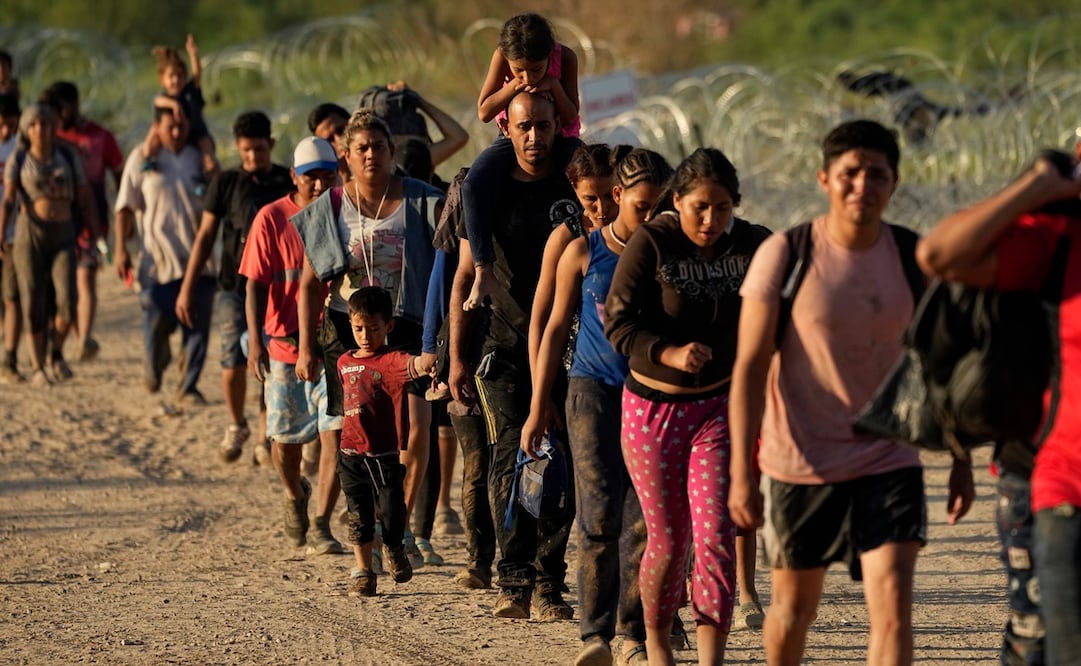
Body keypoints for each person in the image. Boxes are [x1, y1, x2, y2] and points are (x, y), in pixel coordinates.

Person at [728, 119, 975, 666]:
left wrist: (961, 460)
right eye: (850, 173)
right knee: (794, 611)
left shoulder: (914, 259)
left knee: (892, 607)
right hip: (801, 461)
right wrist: (743, 475)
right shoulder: (787, 255)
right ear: (824, 178)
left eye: (877, 174)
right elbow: (748, 367)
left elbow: (940, 368)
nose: (862, 185)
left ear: (895, 183)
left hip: (888, 457)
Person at [603, 147, 770, 665]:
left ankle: (711, 660)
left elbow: (795, 290)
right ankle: (656, 646)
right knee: (671, 541)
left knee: (717, 537)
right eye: (700, 206)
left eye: (723, 208)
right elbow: (618, 322)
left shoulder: (753, 244)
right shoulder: (653, 242)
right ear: (677, 201)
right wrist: (669, 351)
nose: (711, 220)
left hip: (718, 411)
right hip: (653, 412)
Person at [915, 150, 1081, 664]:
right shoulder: (1059, 235)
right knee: (1044, 644)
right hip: (1063, 482)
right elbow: (942, 255)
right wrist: (1038, 187)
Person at [522, 146, 672, 665]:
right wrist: (539, 403)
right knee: (599, 512)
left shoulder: (671, 257)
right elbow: (556, 327)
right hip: (591, 392)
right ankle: (596, 636)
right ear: (617, 197)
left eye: (659, 206)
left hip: (652, 395)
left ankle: (633, 634)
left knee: (643, 520)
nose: (650, 217)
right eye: (641, 207)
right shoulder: (583, 252)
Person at [292, 109, 445, 570]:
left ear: (392, 151)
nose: (371, 155)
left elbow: (460, 234)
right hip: (348, 330)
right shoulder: (332, 208)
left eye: (379, 146)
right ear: (346, 156)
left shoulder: (420, 200)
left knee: (416, 432)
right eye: (361, 148)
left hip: (407, 326)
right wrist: (306, 347)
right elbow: (307, 285)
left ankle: (392, 527)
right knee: (354, 436)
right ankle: (360, 528)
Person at [448, 91, 580, 620]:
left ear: (557, 128)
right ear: (509, 129)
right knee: (512, 456)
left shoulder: (573, 186)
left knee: (561, 461)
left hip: (567, 349)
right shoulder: (486, 191)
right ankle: (514, 578)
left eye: (543, 126)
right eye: (524, 127)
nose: (534, 137)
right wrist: (455, 357)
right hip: (501, 346)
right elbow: (461, 279)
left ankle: (550, 582)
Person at [237, 136, 344, 555]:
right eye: (310, 177)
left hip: (332, 345)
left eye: (327, 176)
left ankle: (321, 522)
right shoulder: (270, 218)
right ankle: (294, 494)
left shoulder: (342, 213)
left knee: (334, 435)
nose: (318, 185)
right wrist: (255, 342)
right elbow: (253, 285)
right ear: (294, 177)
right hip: (283, 345)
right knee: (283, 443)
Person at [175, 111, 294, 464]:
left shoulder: (286, 181)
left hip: (276, 288)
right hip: (233, 286)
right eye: (245, 151)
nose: (253, 158)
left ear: (270, 144)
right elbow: (205, 235)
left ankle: (263, 432)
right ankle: (235, 423)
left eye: (259, 149)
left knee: (270, 360)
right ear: (237, 149)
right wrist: (188, 286)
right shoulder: (226, 183)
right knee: (232, 360)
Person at [461, 12, 581, 311]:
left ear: (548, 54)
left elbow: (570, 114)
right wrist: (512, 87)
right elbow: (485, 111)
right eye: (519, 71)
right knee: (473, 184)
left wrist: (552, 85)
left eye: (536, 69)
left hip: (559, 135)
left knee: (589, 174)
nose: (528, 77)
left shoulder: (565, 57)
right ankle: (483, 269)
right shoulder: (503, 55)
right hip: (513, 136)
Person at [114, 105, 214, 401]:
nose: (175, 132)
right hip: (157, 263)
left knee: (198, 324)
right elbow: (124, 207)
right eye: (169, 126)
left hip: (199, 260)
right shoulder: (143, 158)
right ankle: (155, 362)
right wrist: (120, 248)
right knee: (155, 312)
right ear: (156, 127)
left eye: (181, 126)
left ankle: (188, 386)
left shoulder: (200, 159)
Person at [336, 286, 430, 597]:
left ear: (388, 326)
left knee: (392, 508)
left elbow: (413, 365)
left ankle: (393, 546)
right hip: (350, 452)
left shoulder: (390, 360)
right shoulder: (343, 362)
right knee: (358, 513)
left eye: (373, 328)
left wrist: (430, 359)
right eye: (358, 328)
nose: (365, 336)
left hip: (384, 453)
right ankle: (363, 571)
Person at [0, 103, 100, 386]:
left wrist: (94, 233)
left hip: (63, 234)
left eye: (45, 124)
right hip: (29, 235)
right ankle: (36, 365)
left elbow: (83, 195)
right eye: (34, 125)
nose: (40, 130)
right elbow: (9, 199)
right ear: (26, 129)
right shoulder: (19, 159)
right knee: (32, 298)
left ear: (54, 127)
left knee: (68, 299)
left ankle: (55, 353)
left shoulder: (67, 156)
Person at [42, 81, 124, 362]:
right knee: (65, 283)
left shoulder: (99, 136)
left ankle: (84, 337)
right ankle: (76, 335)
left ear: (74, 105)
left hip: (93, 219)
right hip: (60, 221)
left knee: (85, 277)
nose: (58, 116)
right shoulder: (49, 141)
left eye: (61, 109)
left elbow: (118, 172)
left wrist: (124, 211)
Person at [144, 35, 217, 177]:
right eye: (171, 76)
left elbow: (197, 74)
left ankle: (205, 176)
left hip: (197, 132)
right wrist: (174, 105)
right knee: (153, 134)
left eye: (180, 75)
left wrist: (193, 55)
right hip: (172, 135)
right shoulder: (165, 98)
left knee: (207, 150)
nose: (176, 80)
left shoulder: (190, 92)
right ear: (162, 80)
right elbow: (157, 101)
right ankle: (149, 159)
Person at [0, 93, 21, 382]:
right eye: (2, 124)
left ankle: (10, 359)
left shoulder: (21, 150)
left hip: (17, 235)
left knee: (12, 297)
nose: (6, 131)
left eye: (11, 125)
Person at [307, 102, 350, 183]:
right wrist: (346, 175)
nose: (340, 141)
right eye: (330, 140)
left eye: (342, 131)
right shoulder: (324, 184)